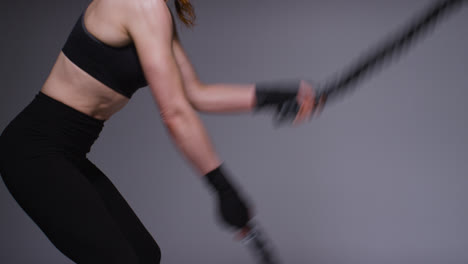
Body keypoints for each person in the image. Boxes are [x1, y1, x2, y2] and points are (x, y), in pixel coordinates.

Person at [0, 0, 327, 263]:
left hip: (65, 154)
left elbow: (195, 94)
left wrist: (278, 96)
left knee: (144, 255)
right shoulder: (142, 5)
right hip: (34, 153)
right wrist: (222, 187)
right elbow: (174, 112)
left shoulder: (157, 13)